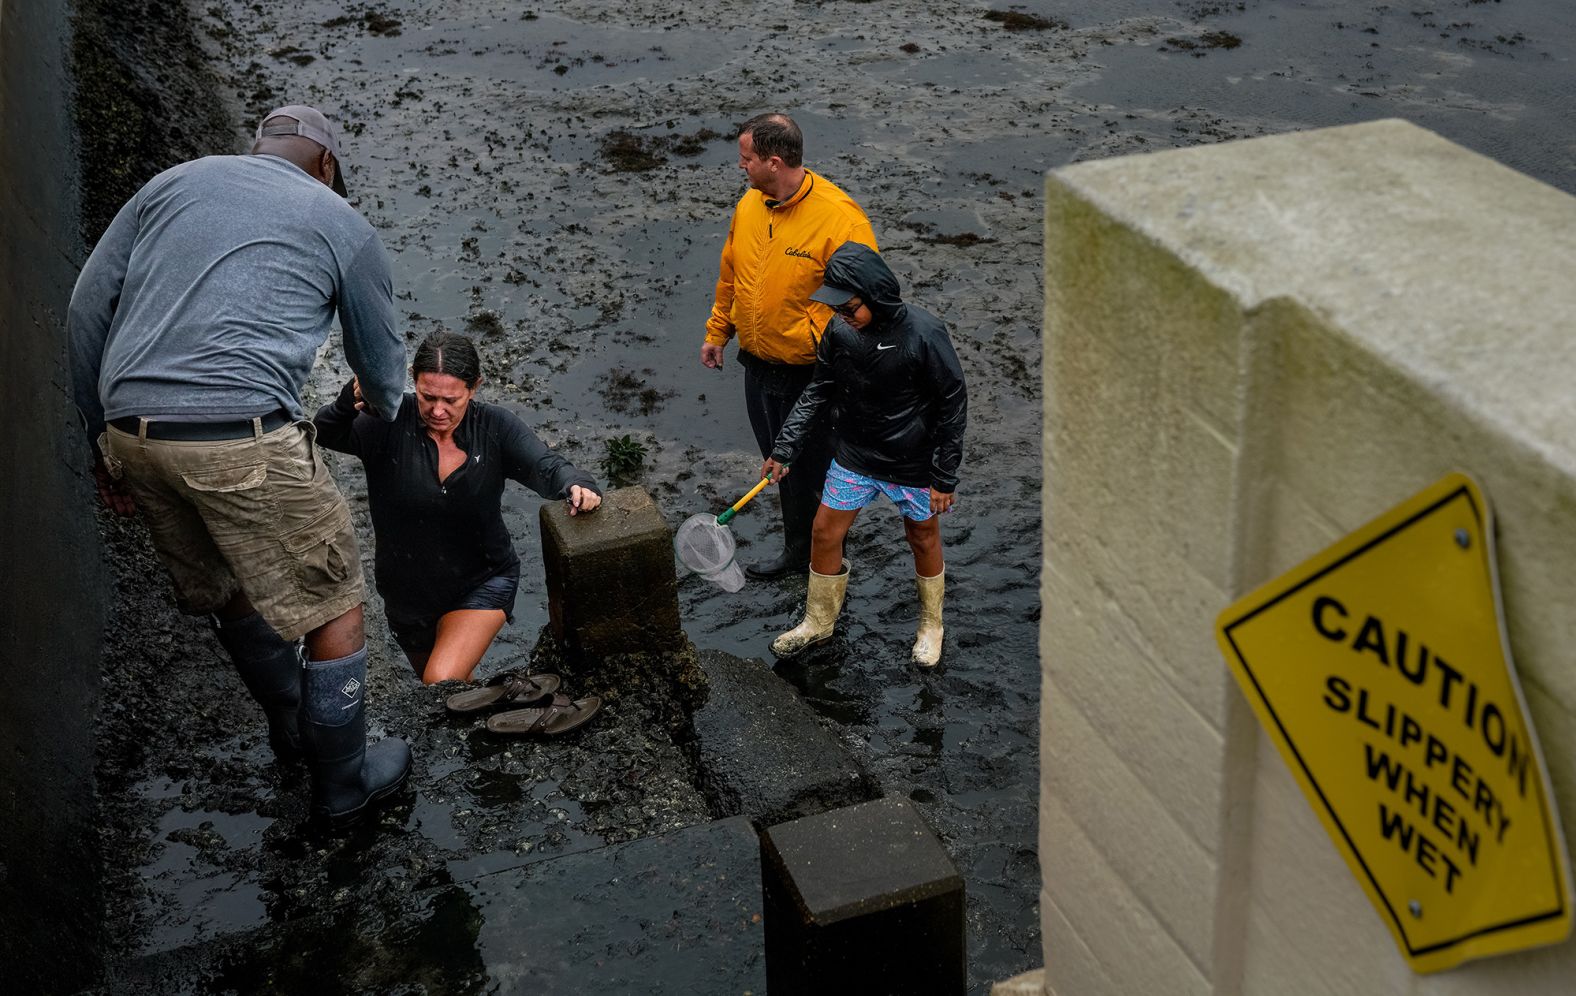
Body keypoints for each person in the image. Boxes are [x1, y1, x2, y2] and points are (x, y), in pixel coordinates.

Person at [68, 104, 412, 830]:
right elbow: (380, 369)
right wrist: (382, 407)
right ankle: (345, 783)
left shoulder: (169, 185)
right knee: (333, 597)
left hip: (136, 434)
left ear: (257, 149)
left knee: (228, 581)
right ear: (327, 164)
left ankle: (291, 726)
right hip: (241, 436)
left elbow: (85, 309)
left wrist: (101, 435)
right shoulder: (340, 221)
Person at [313, 331, 603, 686]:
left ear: (474, 387)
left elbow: (546, 465)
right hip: (407, 595)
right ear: (414, 384)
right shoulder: (387, 423)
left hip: (482, 579)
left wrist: (577, 484)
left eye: (451, 399)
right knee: (453, 694)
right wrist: (349, 400)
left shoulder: (495, 427)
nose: (437, 410)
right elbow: (322, 433)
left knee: (441, 680)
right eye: (427, 396)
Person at [761, 242, 967, 668]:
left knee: (922, 537)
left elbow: (952, 402)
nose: (842, 316)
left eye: (850, 307)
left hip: (911, 462)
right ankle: (818, 620)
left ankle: (931, 626)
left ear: (876, 296)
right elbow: (818, 389)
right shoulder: (839, 333)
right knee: (823, 531)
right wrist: (784, 449)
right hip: (855, 453)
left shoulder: (924, 334)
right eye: (837, 308)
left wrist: (944, 475)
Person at [701, 113, 877, 580]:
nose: (741, 167)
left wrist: (827, 351)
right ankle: (799, 552)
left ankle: (829, 561)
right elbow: (730, 274)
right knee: (778, 464)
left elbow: (865, 302)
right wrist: (719, 331)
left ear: (774, 162)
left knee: (816, 469)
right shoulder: (750, 206)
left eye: (747, 159)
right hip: (758, 366)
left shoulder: (841, 219)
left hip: (813, 374)